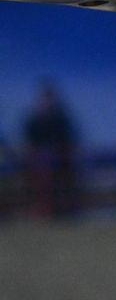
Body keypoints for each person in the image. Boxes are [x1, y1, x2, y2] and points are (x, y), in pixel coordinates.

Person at [21, 81, 80, 217]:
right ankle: (43, 209)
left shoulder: (61, 119)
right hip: (38, 162)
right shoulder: (34, 120)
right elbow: (29, 142)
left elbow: (68, 140)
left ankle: (62, 209)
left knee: (58, 175)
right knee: (41, 175)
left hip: (61, 160)